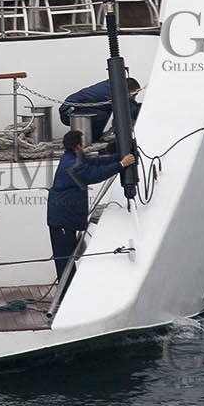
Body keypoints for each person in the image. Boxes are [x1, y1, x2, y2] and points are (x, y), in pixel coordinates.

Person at [47, 130, 136, 283]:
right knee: (65, 261)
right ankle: (65, 297)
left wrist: (119, 157)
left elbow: (94, 163)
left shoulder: (71, 157)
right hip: (62, 220)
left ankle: (67, 294)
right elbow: (95, 175)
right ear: (79, 144)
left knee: (67, 258)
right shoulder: (73, 164)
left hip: (62, 218)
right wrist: (121, 164)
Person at [58, 77, 141, 142]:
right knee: (102, 116)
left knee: (105, 112)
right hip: (69, 112)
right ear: (129, 91)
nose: (134, 98)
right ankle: (94, 140)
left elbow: (129, 105)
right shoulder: (113, 91)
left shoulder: (113, 85)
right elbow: (127, 109)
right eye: (134, 95)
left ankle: (93, 138)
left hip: (71, 109)